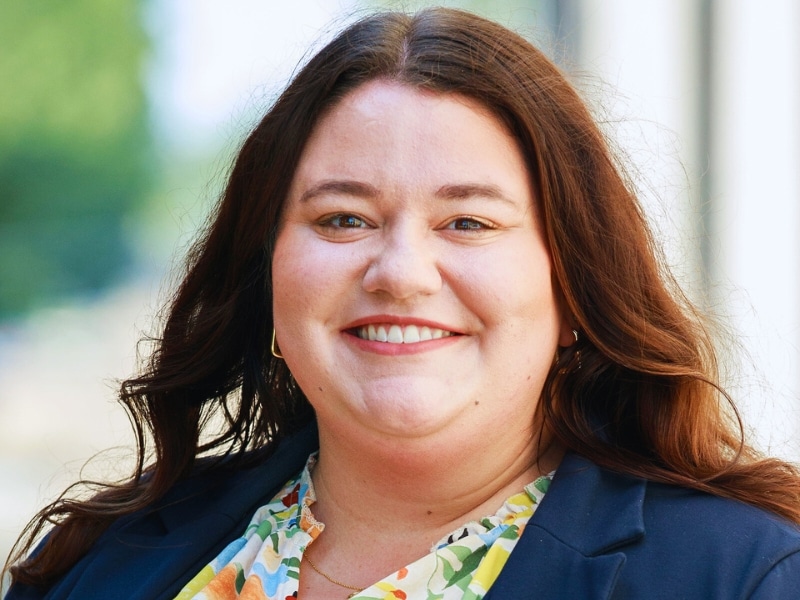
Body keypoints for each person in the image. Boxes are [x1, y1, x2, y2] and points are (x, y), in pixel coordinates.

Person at [5, 7, 800, 599]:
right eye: (343, 218)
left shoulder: (746, 577)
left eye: (469, 221)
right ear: (268, 270)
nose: (401, 272)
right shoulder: (99, 561)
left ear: (574, 289)